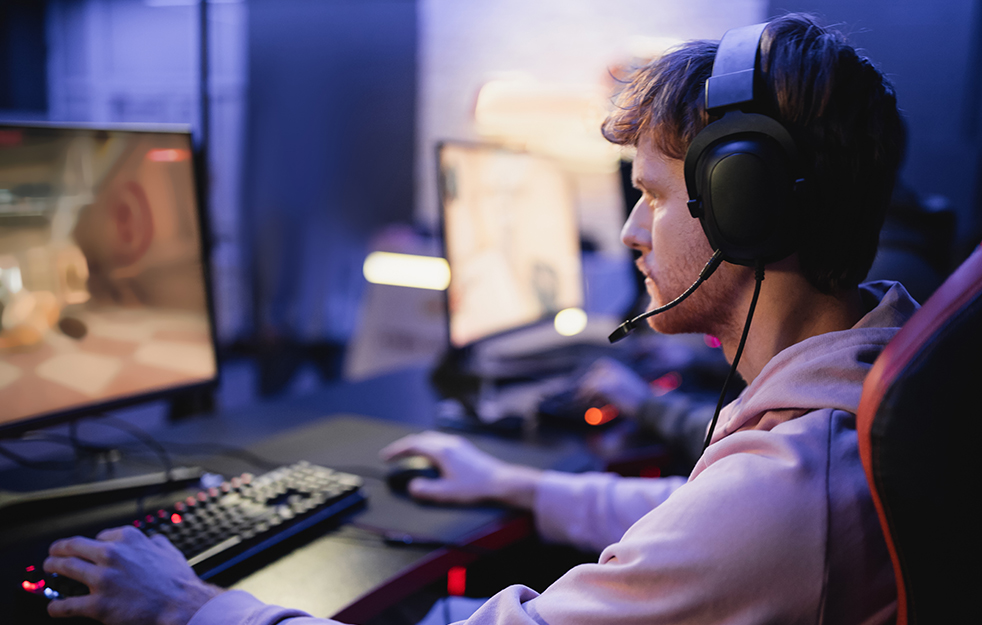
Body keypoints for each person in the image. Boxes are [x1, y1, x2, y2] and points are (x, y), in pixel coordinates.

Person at [42, 13, 911, 625]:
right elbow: (686, 525)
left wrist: (188, 606)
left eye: (650, 193)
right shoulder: (860, 397)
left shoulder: (786, 494)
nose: (629, 231)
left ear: (745, 205)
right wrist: (518, 485)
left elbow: (726, 530)